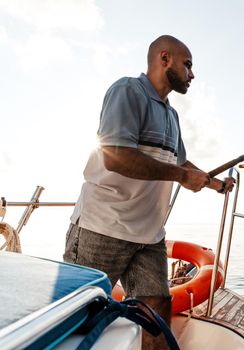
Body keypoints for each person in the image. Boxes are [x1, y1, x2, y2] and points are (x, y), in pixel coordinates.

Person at [63, 35, 234, 349]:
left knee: (157, 311)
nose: (192, 74)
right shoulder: (127, 91)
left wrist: (214, 183)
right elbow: (116, 156)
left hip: (149, 235)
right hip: (101, 229)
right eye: (188, 65)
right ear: (165, 58)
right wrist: (182, 175)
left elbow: (180, 162)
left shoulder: (172, 115)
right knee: (76, 324)